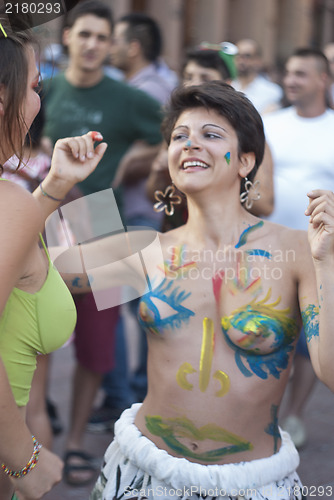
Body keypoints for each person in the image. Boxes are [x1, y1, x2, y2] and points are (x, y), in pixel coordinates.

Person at [88, 80, 334, 500]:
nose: (191, 144)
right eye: (179, 136)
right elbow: (35, 268)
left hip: (256, 483)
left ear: (245, 162)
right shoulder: (147, 249)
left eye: (211, 135)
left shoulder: (297, 249)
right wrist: (68, 185)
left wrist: (326, 262)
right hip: (143, 474)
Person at [42, 0, 163, 486]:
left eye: (101, 37)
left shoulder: (126, 97)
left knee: (96, 348)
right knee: (38, 340)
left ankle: (73, 441)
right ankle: (35, 441)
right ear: (68, 36)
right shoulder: (45, 90)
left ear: (111, 43)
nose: (93, 45)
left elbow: (172, 131)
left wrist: (137, 158)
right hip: (47, 220)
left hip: (104, 221)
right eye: (84, 34)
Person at [0, 13, 107, 500]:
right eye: (36, 86)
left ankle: (82, 435)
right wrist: (25, 457)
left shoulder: (131, 101)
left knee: (101, 351)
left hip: (90, 222)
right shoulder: (12, 197)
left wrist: (57, 187)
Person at [262, 47, 334, 447]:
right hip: (270, 248)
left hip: (317, 254)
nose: (291, 80)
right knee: (271, 334)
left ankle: (295, 414)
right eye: (288, 72)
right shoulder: (272, 124)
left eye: (301, 74)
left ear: (323, 80)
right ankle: (265, 410)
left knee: (311, 341)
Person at [232, 38, 283, 114]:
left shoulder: (272, 91)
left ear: (258, 60)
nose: (241, 60)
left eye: (247, 56)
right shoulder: (228, 86)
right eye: (238, 55)